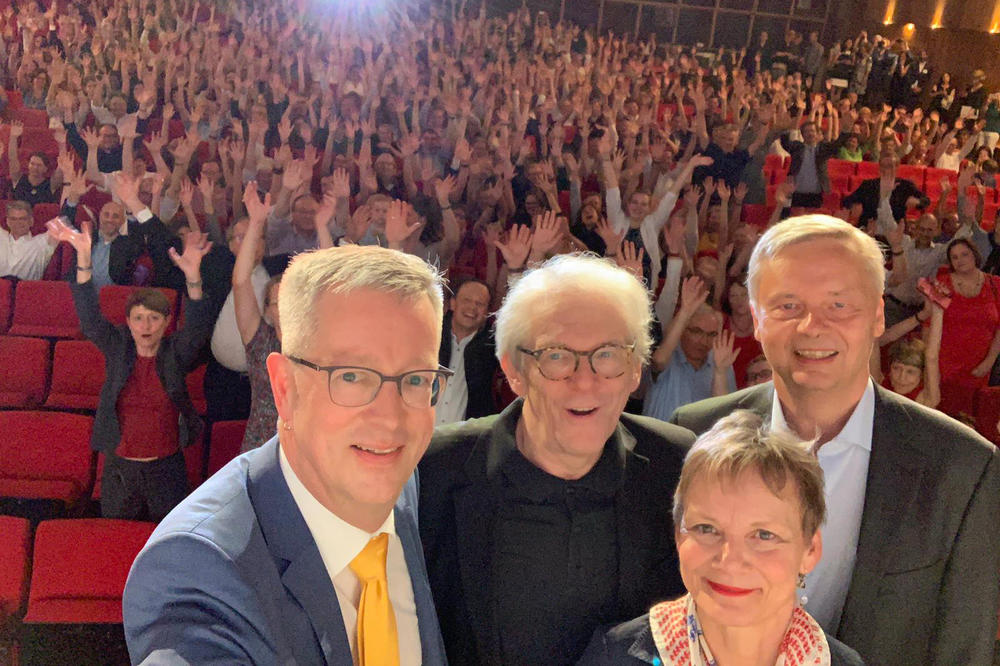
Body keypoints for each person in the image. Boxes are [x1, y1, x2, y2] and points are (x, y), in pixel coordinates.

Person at [671, 215, 1000, 666]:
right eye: (786, 306)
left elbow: (964, 651)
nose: (812, 326)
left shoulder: (965, 468)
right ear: (757, 319)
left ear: (879, 315)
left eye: (839, 305)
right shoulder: (691, 434)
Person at [122, 245, 449, 665]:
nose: (390, 420)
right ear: (284, 388)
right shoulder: (199, 570)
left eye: (417, 378)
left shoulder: (399, 473)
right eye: (351, 376)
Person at [419, 254, 695, 666]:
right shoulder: (435, 470)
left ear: (635, 369)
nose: (585, 380)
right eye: (556, 355)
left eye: (608, 354)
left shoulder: (674, 464)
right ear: (515, 371)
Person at [579, 410, 865, 666]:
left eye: (764, 535)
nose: (729, 560)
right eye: (707, 529)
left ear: (810, 551)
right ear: (679, 535)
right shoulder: (611, 657)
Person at [49, 208, 214, 521]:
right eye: (138, 318)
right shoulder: (118, 346)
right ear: (128, 322)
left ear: (166, 322)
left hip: (166, 467)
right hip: (120, 467)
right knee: (115, 537)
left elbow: (197, 328)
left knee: (165, 542)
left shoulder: (175, 352)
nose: (146, 325)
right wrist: (83, 259)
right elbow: (90, 319)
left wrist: (193, 276)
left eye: (154, 318)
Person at [233, 183, 283, 452]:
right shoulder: (260, 339)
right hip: (262, 441)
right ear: (267, 310)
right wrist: (255, 224)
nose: (285, 307)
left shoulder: (315, 345)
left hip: (308, 444)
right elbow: (241, 282)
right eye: (277, 301)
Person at [936, 238, 1000, 413]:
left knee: (973, 417)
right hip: (946, 367)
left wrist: (989, 361)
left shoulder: (996, 284)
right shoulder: (942, 283)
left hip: (980, 367)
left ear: (975, 255)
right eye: (955, 257)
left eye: (964, 254)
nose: (960, 260)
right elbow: (929, 326)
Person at [435, 277, 498, 425]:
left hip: (465, 441)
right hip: (421, 435)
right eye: (467, 300)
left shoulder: (491, 346)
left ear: (487, 312)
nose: (472, 308)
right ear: (453, 303)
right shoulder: (432, 334)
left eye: (479, 304)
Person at [0, 200, 59, 280]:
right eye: (13, 219)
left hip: (26, 290)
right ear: (7, 221)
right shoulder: (2, 236)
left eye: (23, 219)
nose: (18, 223)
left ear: (31, 221)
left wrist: (73, 199)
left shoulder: (41, 243)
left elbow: (62, 224)